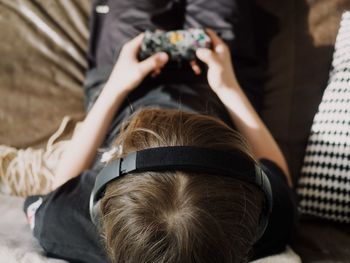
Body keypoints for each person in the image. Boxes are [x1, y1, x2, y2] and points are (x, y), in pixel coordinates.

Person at [24, 0, 297, 262]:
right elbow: (278, 175)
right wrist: (228, 87)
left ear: (98, 205)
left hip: (128, 87)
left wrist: (116, 85)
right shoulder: (247, 223)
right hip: (219, 82)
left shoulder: (66, 228)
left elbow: (60, 191)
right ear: (257, 225)